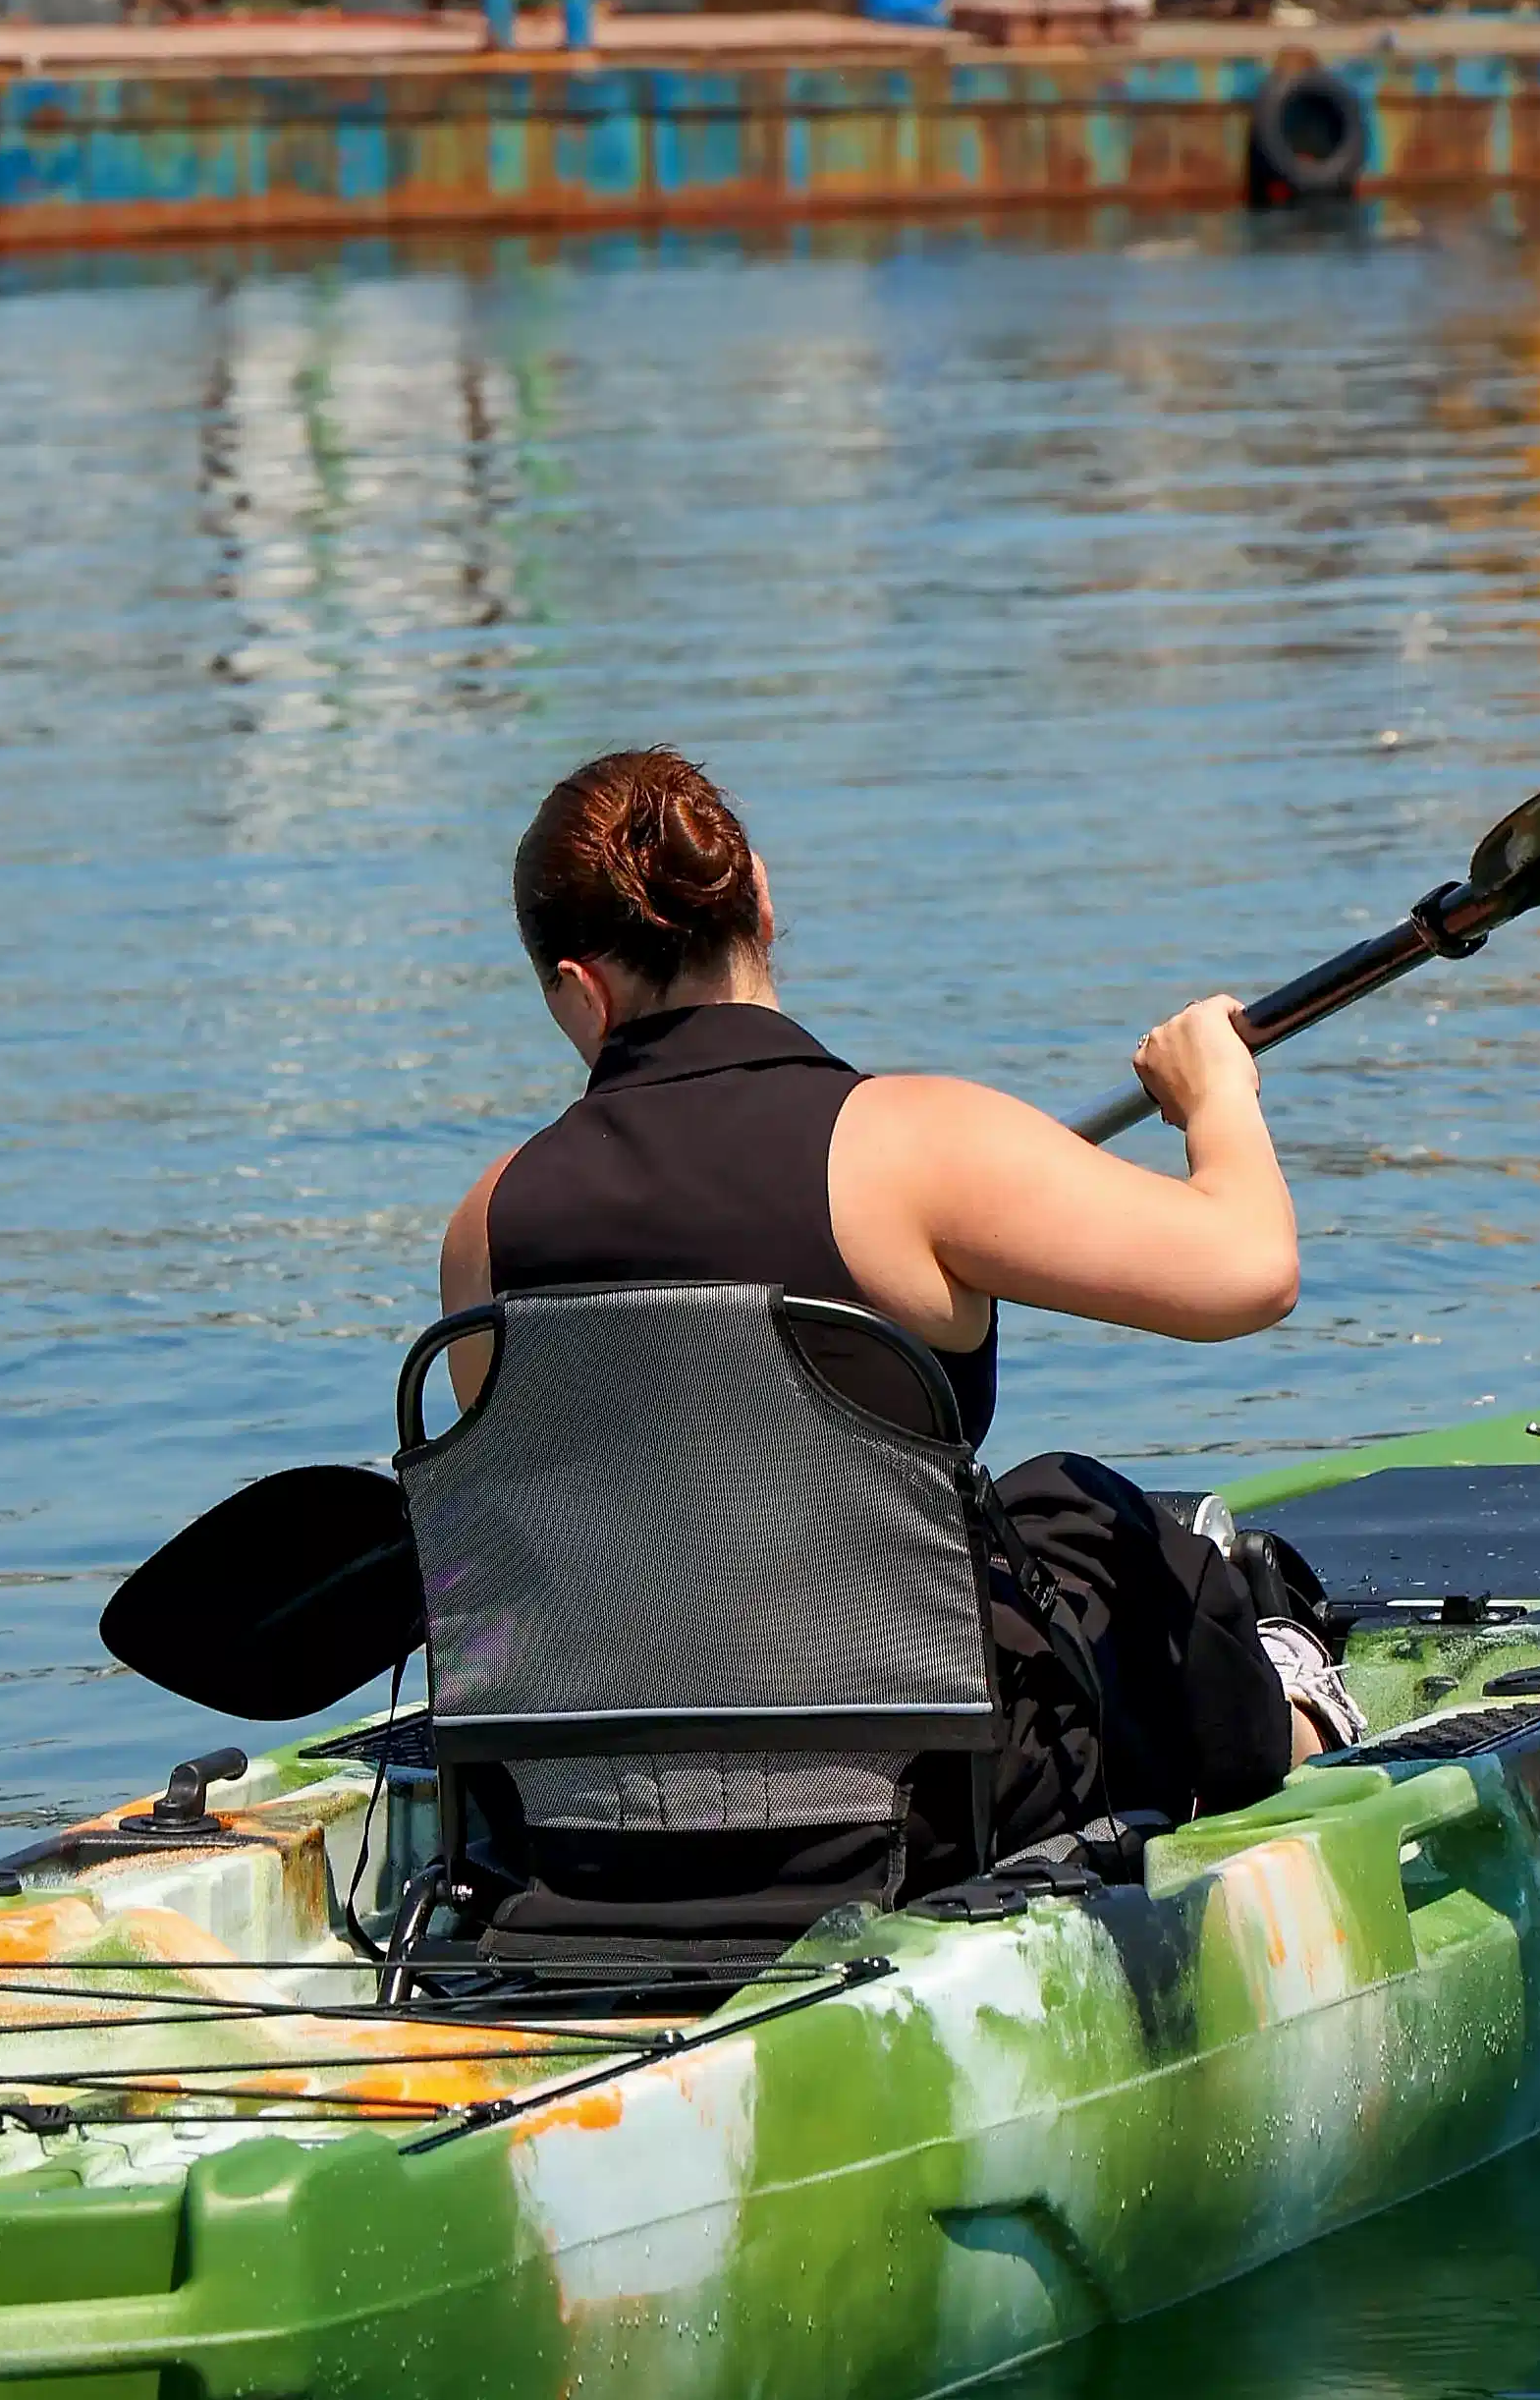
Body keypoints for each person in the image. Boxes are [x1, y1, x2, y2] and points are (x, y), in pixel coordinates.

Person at [438, 748, 1357, 1901]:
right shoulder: (911, 1146)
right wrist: (1217, 1098)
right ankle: (1298, 1721)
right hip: (919, 1820)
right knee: (1087, 1521)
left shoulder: (485, 1224)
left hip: (589, 1830)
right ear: (763, 901)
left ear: (580, 987)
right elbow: (1251, 1271)